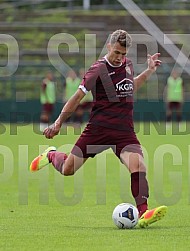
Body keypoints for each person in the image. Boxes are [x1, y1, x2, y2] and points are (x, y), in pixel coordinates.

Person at [30, 29, 167, 228]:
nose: (120, 57)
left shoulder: (127, 65)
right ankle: (51, 155)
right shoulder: (97, 70)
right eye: (116, 52)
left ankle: (144, 212)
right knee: (68, 170)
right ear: (109, 46)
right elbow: (77, 97)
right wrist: (58, 122)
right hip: (98, 130)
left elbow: (131, 87)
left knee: (139, 166)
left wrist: (149, 70)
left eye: (123, 54)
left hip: (124, 132)